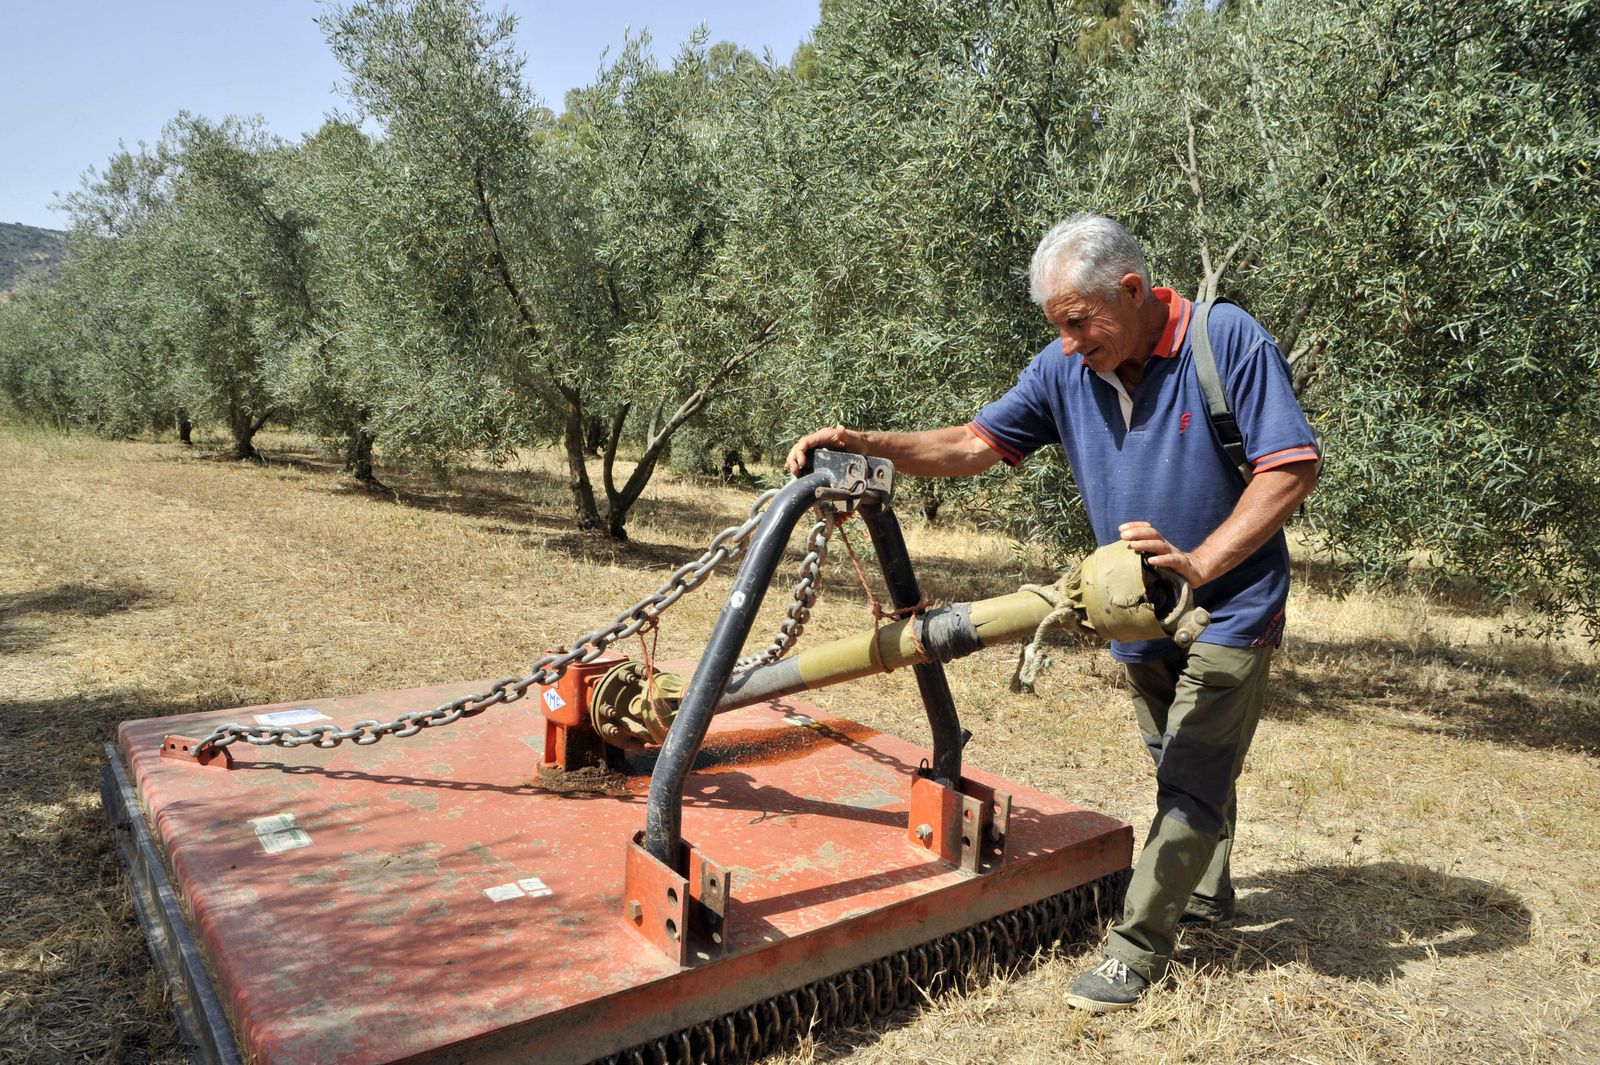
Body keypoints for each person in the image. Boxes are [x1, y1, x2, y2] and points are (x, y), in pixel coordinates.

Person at [784, 214, 1319, 1013]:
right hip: (1133, 611)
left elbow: (1291, 467)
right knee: (1174, 748)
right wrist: (867, 445)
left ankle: (1136, 948)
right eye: (1057, 328)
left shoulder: (1225, 340)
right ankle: (1204, 890)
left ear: (1132, 291)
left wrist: (1202, 564)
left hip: (1231, 607)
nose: (1069, 344)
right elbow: (972, 445)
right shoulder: (1065, 368)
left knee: (1192, 767)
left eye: (1079, 322)